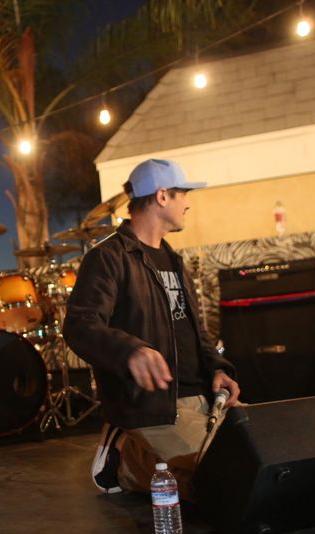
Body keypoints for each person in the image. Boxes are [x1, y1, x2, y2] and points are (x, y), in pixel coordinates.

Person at [63, 158, 240, 499]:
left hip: (204, 396)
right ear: (162, 196)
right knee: (222, 482)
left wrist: (218, 369)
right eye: (182, 194)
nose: (187, 203)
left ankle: (146, 458)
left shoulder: (174, 260)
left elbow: (196, 332)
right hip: (154, 407)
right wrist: (129, 351)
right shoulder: (108, 257)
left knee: (265, 454)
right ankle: (124, 460)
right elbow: (79, 325)